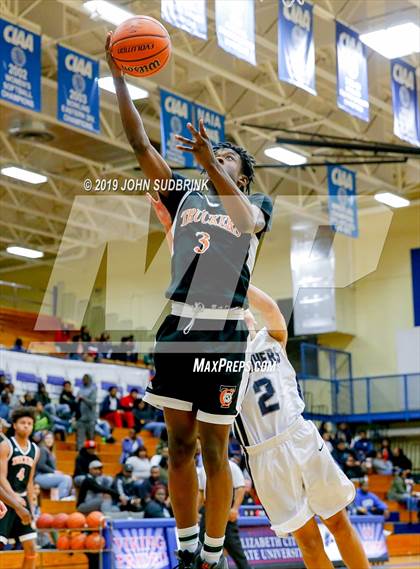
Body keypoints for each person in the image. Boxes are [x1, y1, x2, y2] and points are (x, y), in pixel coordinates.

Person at [107, 28, 272, 569]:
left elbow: (246, 220)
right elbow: (140, 145)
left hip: (223, 334)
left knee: (214, 449)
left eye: (229, 159)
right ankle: (184, 551)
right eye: (215, 155)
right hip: (178, 329)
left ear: (243, 177)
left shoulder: (254, 207)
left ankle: (213, 553)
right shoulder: (184, 196)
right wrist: (117, 74)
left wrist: (210, 164)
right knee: (177, 447)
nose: (219, 159)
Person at [232, 285, 370, 569]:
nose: (242, 319)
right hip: (264, 454)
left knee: (338, 520)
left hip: (300, 436)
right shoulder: (221, 363)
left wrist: (238, 279)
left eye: (244, 314)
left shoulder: (271, 339)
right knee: (307, 540)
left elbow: (271, 308)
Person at [0, 407, 39, 567]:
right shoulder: (6, 446)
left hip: (23, 500)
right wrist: (14, 499)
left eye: (30, 423)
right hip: (6, 498)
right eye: (23, 423)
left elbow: (29, 482)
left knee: (31, 549)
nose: (26, 426)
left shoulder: (35, 450)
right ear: (14, 425)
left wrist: (33, 505)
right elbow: (1, 477)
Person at [198, 460, 252, 569]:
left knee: (234, 547)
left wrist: (235, 509)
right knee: (203, 546)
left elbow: (240, 488)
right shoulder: (203, 469)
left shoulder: (231, 466)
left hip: (225, 510)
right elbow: (200, 492)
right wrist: (196, 512)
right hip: (207, 509)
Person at [34, 432, 73, 499]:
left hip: (46, 476)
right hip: (39, 477)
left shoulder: (50, 451)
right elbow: (41, 465)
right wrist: (54, 472)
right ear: (43, 440)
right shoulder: (43, 449)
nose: (49, 440)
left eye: (51, 438)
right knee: (65, 479)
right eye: (47, 438)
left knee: (68, 478)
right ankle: (61, 499)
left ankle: (64, 498)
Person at [76, 374, 97, 450]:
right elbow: (76, 403)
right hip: (81, 419)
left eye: (86, 379)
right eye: (83, 379)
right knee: (80, 440)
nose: (84, 380)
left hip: (90, 419)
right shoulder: (80, 390)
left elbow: (93, 403)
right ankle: (80, 454)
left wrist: (83, 398)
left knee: (91, 439)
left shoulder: (93, 390)